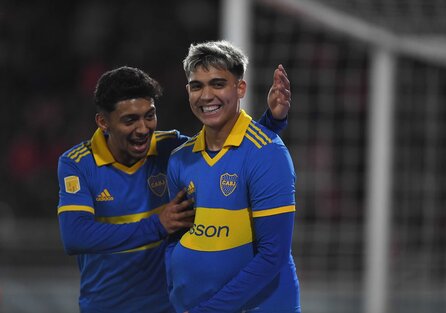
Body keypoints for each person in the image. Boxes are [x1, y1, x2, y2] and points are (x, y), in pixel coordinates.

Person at [57, 64, 292, 313]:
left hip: (168, 307)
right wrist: (157, 225)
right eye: (130, 120)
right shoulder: (78, 163)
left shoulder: (170, 148)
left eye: (149, 116)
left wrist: (271, 122)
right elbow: (75, 236)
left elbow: (228, 151)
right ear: (103, 122)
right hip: (106, 307)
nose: (143, 129)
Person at [166, 40, 300, 312]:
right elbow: (176, 235)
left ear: (240, 88)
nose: (206, 95)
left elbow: (273, 256)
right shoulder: (180, 158)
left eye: (217, 84)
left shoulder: (267, 152)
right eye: (197, 86)